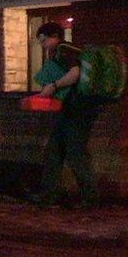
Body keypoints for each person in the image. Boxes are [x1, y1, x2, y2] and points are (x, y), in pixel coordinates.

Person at [29, 21, 100, 208]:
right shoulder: (64, 51)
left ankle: (90, 198)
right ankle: (48, 195)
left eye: (42, 40)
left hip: (79, 110)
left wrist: (53, 86)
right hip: (71, 109)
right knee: (54, 150)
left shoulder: (64, 49)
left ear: (53, 36)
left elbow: (75, 73)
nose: (41, 44)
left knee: (75, 152)